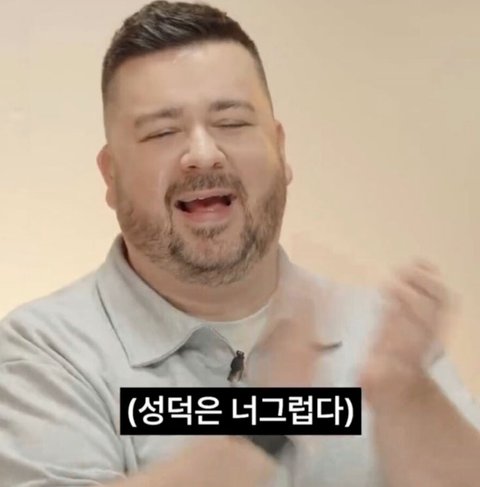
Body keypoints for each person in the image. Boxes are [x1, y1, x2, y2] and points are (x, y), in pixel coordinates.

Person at [0, 1, 479, 486]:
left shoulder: (380, 336)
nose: (203, 154)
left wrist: (407, 393)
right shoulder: (45, 353)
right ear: (111, 175)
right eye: (163, 132)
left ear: (280, 150)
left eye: (231, 123)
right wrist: (266, 429)